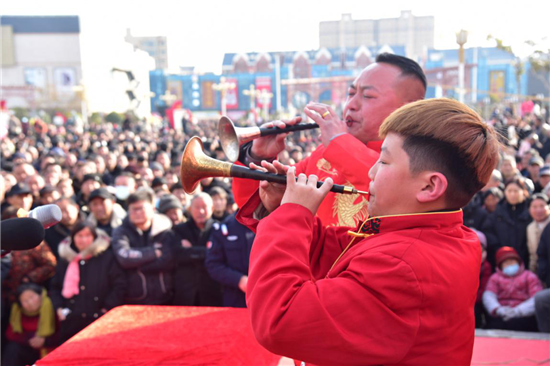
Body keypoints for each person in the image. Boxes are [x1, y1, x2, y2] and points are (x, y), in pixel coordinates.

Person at [237, 98, 500, 365]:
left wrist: (292, 215)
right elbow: (339, 253)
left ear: (430, 187)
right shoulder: (438, 233)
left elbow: (279, 321)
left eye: (383, 162)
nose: (371, 172)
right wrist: (281, 209)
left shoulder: (403, 265)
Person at [233, 53, 427, 227]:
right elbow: (257, 210)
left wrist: (338, 141)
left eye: (368, 95)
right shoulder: (324, 154)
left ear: (407, 108)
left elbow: (396, 195)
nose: (351, 105)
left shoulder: (422, 160)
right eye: (351, 94)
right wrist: (257, 158)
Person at [50, 221, 126, 344]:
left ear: (94, 237)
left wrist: (106, 309)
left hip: (99, 320)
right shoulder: (66, 259)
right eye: (79, 236)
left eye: (88, 235)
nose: (83, 240)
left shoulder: (106, 257)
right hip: (71, 320)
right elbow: (55, 287)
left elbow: (119, 285)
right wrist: (59, 308)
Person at [111, 188, 175, 305]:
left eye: (141, 208)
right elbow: (124, 258)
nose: (137, 213)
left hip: (166, 297)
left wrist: (139, 266)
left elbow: (168, 260)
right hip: (133, 299)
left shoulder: (165, 230)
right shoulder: (120, 232)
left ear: (152, 209)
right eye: (133, 209)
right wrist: (154, 253)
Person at [172, 192, 222, 306]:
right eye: (197, 207)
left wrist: (192, 250)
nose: (201, 211)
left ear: (212, 208)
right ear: (190, 209)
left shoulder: (219, 229)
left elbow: (220, 255)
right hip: (186, 291)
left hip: (213, 290)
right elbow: (177, 255)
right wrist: (207, 250)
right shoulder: (179, 230)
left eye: (204, 207)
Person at [483, 246, 542, 332]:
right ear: (500, 266)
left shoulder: (529, 276)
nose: (509, 264)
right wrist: (497, 309)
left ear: (518, 262)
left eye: (512, 261)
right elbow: (488, 296)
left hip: (524, 315)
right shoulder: (494, 278)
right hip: (501, 315)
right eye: (506, 263)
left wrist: (518, 311)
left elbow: (536, 298)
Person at [205, 212, 254, 308]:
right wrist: (239, 280)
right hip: (235, 297)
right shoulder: (225, 227)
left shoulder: (272, 222)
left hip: (268, 296)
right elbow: (213, 264)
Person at [3, 283, 57, 366]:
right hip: (28, 349)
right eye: (25, 301)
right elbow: (11, 334)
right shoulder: (18, 312)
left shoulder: (52, 307)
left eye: (32, 297)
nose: (30, 302)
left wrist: (45, 341)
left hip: (50, 349)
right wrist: (31, 339)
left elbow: (62, 334)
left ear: (40, 295)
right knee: (12, 349)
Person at [482, 178, 532, 268]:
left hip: (526, 260)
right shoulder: (497, 212)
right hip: (502, 260)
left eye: (516, 191)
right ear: (505, 192)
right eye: (509, 191)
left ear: (523, 192)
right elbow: (488, 232)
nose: (512, 194)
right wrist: (499, 250)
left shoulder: (530, 211)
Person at [527, 193, 550, 274]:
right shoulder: (530, 228)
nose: (538, 210)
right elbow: (533, 255)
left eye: (542, 206)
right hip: (541, 272)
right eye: (534, 207)